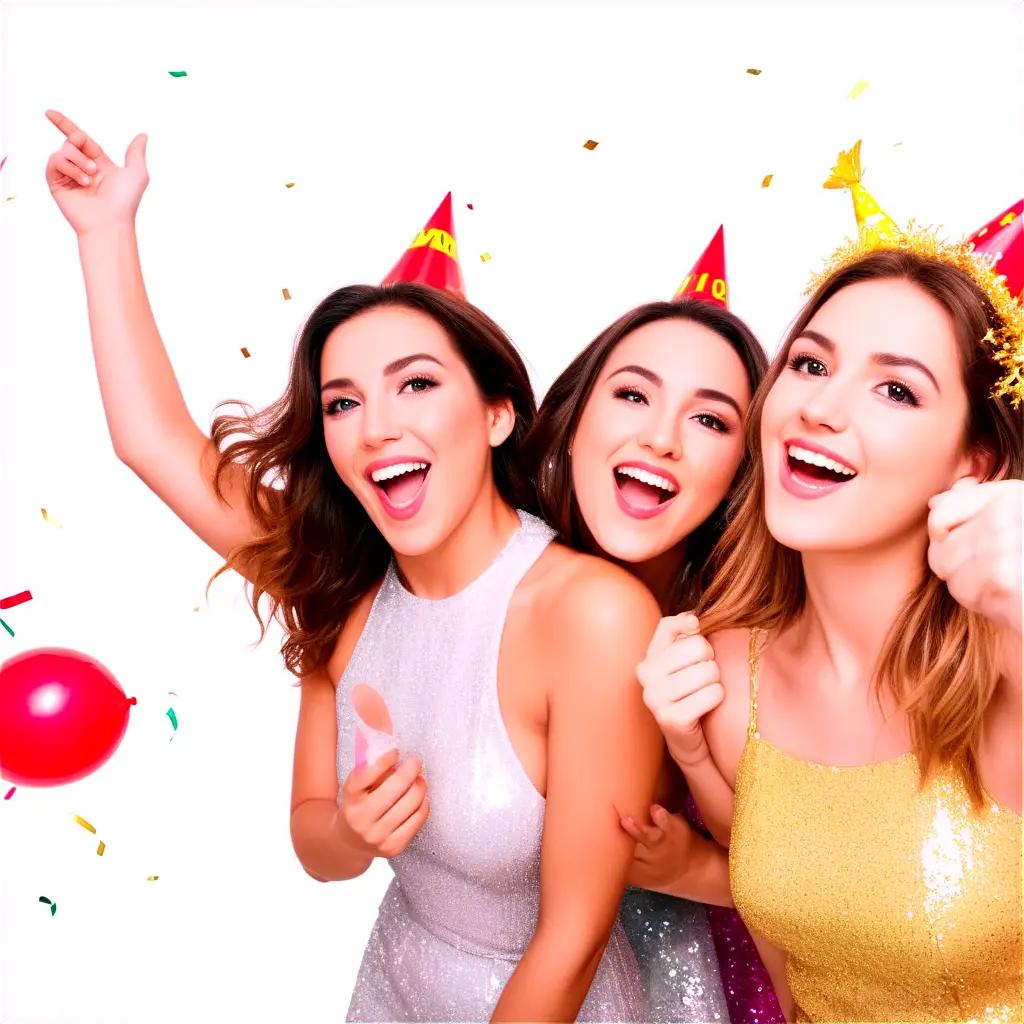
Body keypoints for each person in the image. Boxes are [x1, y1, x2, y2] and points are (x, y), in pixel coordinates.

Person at [44, 110, 668, 1022]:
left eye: (417, 383)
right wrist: (105, 232)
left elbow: (571, 940)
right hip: (397, 988)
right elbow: (154, 445)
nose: (376, 426)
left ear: (496, 414)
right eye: (343, 402)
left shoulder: (590, 615)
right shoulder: (345, 585)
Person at [637, 238, 1023, 1022]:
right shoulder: (722, 672)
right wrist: (687, 750)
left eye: (896, 390)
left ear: (973, 464)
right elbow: (793, 960)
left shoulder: (1009, 667)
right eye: (810, 365)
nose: (819, 407)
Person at [523, 231, 781, 1023]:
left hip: (718, 990)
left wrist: (694, 869)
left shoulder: (755, 637)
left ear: (746, 464)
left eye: (710, 421)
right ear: (575, 415)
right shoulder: (504, 581)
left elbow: (865, 876)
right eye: (633, 395)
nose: (661, 438)